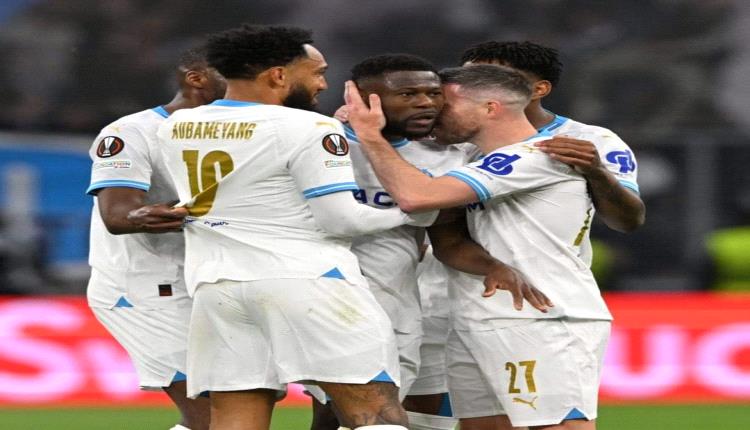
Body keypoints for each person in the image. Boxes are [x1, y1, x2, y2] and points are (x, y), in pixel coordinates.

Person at [156, 25, 436, 430]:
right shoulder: (309, 127)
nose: (323, 84)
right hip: (307, 279)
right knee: (376, 413)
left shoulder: (177, 125)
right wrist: (414, 210)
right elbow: (341, 220)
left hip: (215, 284)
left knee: (236, 414)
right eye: (317, 73)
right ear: (278, 75)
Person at [346, 64, 613, 429]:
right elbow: (449, 240)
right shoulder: (472, 162)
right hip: (477, 317)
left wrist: (370, 135)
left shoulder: (537, 156)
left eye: (446, 103)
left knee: (559, 425)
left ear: (490, 108)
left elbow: (415, 196)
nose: (434, 110)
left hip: (542, 316)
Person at [407, 41, 647, 430]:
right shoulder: (450, 139)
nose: (471, 84)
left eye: (490, 76)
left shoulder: (584, 142)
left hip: (537, 305)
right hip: (451, 301)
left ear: (537, 89)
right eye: (467, 76)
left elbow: (628, 220)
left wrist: (597, 173)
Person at [313, 54, 551, 430]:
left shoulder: (453, 155)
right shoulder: (320, 139)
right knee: (348, 410)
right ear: (360, 96)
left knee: (375, 414)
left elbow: (447, 237)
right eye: (408, 94)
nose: (425, 102)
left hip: (398, 297)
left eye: (432, 93)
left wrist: (491, 266)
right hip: (322, 292)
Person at [85, 47, 226, 430]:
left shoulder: (243, 133)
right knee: (215, 416)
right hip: (144, 287)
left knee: (239, 408)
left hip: (207, 280)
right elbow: (117, 216)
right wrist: (149, 215)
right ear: (196, 78)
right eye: (232, 73)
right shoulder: (131, 132)